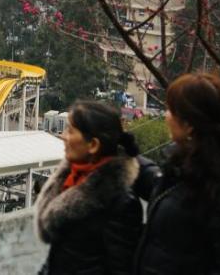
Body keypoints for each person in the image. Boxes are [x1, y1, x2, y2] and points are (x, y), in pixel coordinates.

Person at [135, 73, 220, 275]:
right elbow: (171, 197)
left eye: (170, 110)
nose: (166, 116)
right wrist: (129, 161)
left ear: (189, 124)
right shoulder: (189, 170)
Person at [34, 100, 143, 275]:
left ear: (93, 145)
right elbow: (58, 257)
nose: (63, 136)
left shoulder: (121, 204)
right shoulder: (71, 180)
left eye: (70, 130)